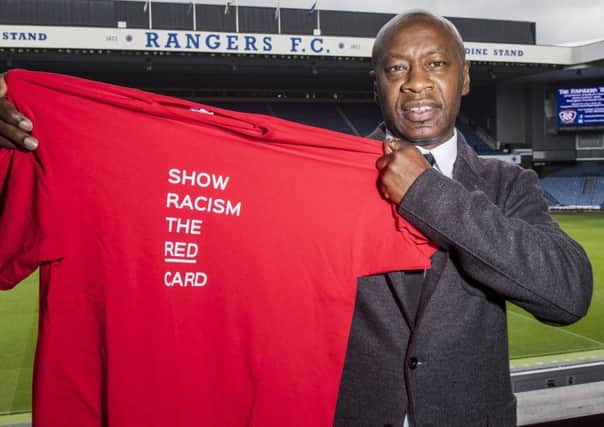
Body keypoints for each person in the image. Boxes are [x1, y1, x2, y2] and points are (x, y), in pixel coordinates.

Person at [0, 10, 593, 427]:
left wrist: (429, 193)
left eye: (436, 64)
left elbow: (566, 294)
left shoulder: (504, 183)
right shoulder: (315, 178)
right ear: (376, 81)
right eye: (395, 68)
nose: (416, 83)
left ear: (464, 78)